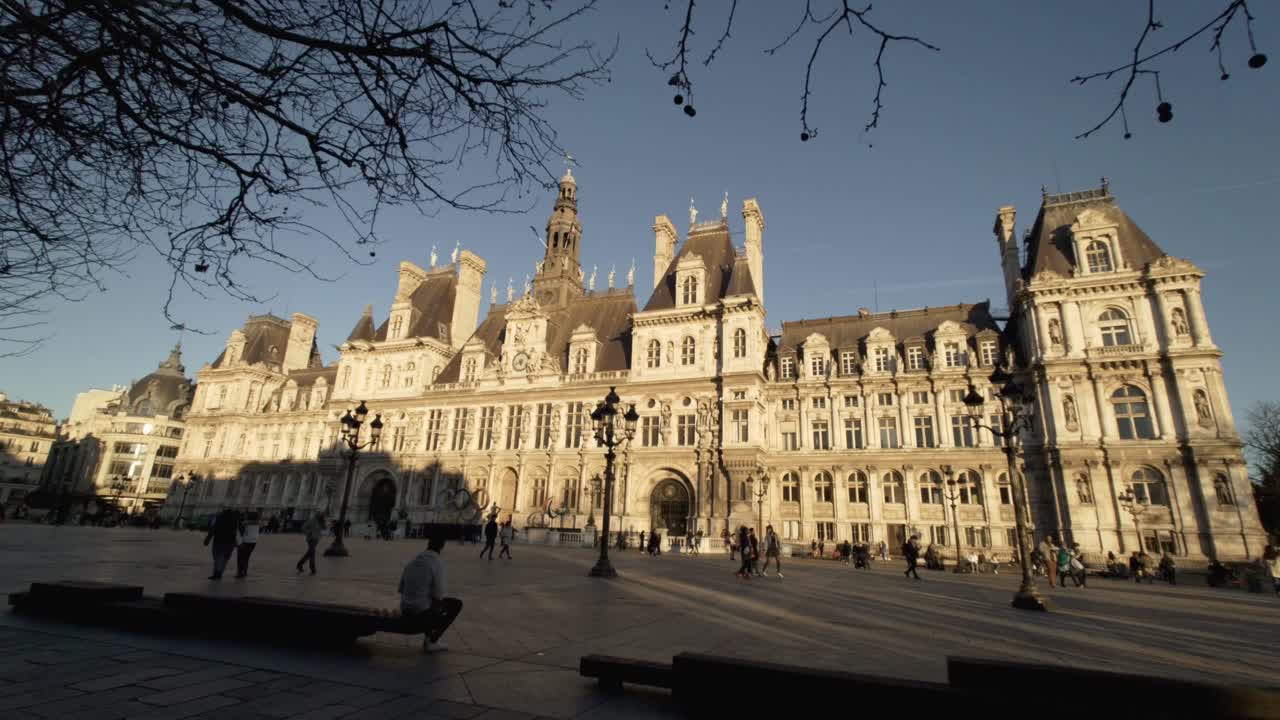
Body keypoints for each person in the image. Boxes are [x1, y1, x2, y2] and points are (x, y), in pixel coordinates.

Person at [398, 534, 464, 653]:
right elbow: (439, 595)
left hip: (405, 608)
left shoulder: (413, 561)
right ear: (442, 547)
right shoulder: (436, 563)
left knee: (428, 600)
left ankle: (430, 638)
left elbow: (401, 589)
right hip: (420, 612)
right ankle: (432, 640)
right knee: (456, 604)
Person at [203, 507, 240, 580]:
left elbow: (212, 530)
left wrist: (207, 540)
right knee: (225, 559)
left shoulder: (219, 519)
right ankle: (219, 573)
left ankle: (217, 573)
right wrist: (237, 543)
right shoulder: (234, 521)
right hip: (230, 543)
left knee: (218, 557)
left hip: (219, 541)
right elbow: (236, 533)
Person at [235, 511, 260, 579]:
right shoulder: (257, 523)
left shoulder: (244, 523)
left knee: (241, 557)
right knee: (246, 557)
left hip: (245, 541)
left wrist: (239, 542)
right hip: (253, 542)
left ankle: (240, 572)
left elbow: (239, 532)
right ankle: (244, 571)